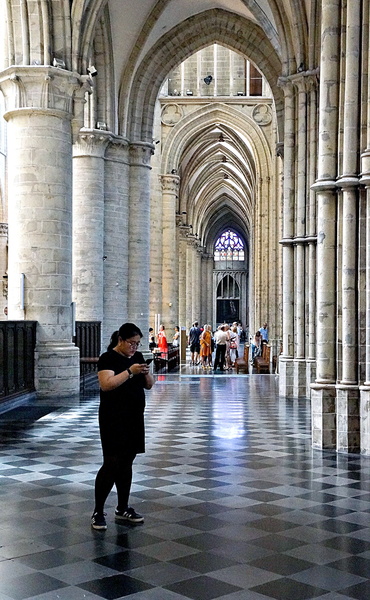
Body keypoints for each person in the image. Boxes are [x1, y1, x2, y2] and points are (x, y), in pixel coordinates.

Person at [91, 322, 155, 530]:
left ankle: (122, 507)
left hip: (134, 417)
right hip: (113, 418)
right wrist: (129, 371)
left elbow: (149, 384)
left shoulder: (136, 357)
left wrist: (144, 371)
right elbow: (106, 385)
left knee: (127, 462)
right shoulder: (108, 358)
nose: (135, 347)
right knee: (111, 463)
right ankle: (98, 511)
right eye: (131, 343)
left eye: (137, 344)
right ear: (121, 340)